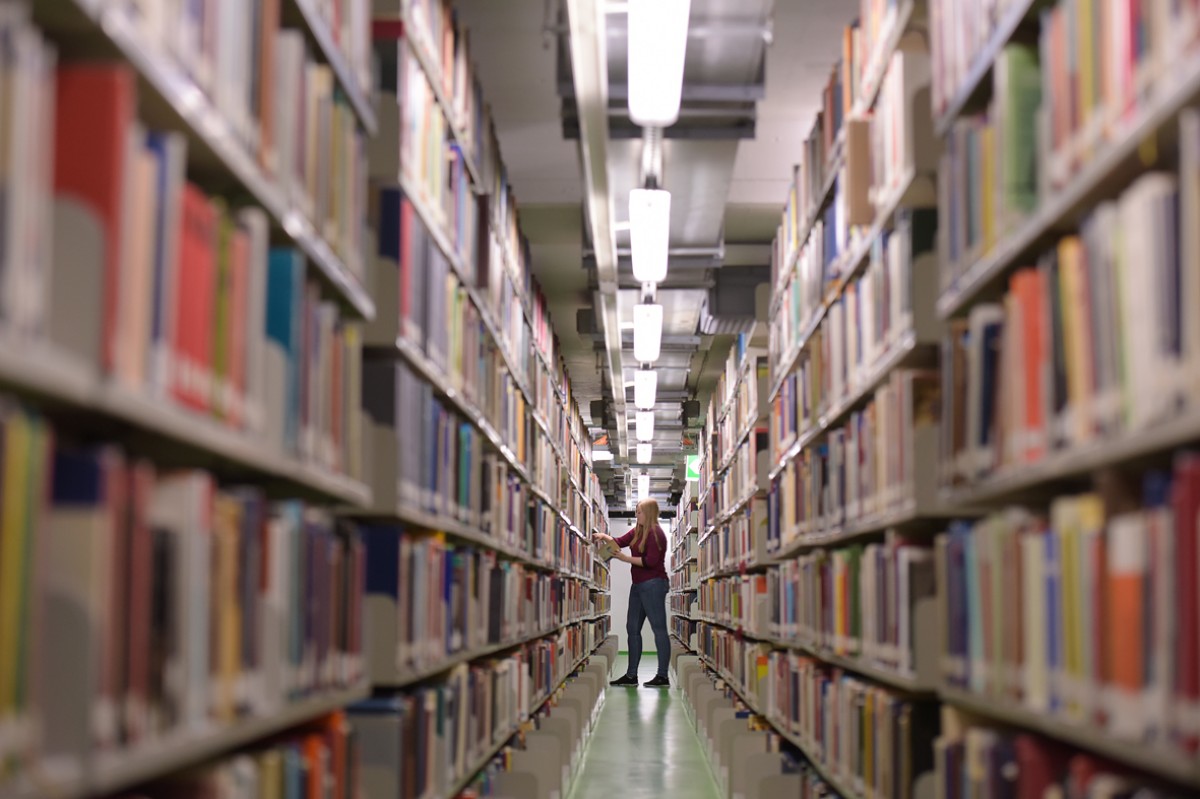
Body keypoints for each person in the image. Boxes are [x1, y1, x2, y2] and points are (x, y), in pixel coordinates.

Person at [594, 498, 671, 687]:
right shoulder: (638, 530)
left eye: (639, 512)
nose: (636, 515)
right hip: (637, 585)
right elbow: (619, 541)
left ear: (649, 513)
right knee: (632, 628)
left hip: (653, 584)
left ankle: (662, 676)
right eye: (636, 512)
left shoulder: (656, 533)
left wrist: (625, 558)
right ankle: (631, 675)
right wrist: (603, 536)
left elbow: (650, 562)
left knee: (658, 629)